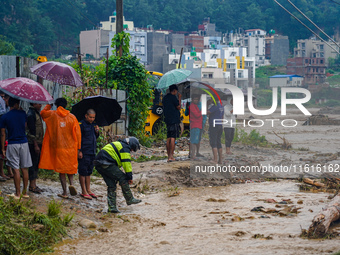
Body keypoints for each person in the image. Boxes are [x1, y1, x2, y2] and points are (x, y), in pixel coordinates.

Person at [39, 98, 81, 199]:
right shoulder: (72, 117)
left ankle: (65, 192)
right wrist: (79, 148)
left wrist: (49, 104)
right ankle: (72, 184)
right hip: (70, 148)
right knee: (70, 169)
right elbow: (78, 134)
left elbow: (42, 113)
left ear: (56, 105)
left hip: (58, 148)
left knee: (61, 170)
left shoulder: (52, 115)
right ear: (66, 105)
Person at [94, 137, 142, 213]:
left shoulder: (120, 144)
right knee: (123, 178)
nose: (132, 151)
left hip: (99, 164)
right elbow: (126, 163)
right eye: (133, 149)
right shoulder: (124, 147)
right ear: (132, 144)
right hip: (107, 162)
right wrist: (129, 177)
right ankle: (129, 199)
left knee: (112, 185)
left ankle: (112, 208)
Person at [0, 98, 32, 199]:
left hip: (12, 143)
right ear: (17, 104)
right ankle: (25, 193)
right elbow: (25, 127)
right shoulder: (23, 113)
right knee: (24, 168)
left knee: (15, 169)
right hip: (24, 142)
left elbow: (2, 133)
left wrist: (2, 149)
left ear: (9, 104)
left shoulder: (5, 116)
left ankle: (17, 194)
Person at [78, 109, 99, 200]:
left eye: (93, 117)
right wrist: (79, 150)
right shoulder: (81, 125)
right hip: (84, 151)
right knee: (83, 171)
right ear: (86, 116)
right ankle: (83, 191)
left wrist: (97, 131)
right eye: (90, 117)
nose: (91, 119)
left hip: (92, 151)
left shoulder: (94, 125)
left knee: (89, 171)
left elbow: (95, 137)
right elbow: (78, 138)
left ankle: (89, 190)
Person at [27, 103, 44, 194]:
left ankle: (33, 184)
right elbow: (31, 131)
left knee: (36, 163)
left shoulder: (36, 113)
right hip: (33, 143)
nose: (41, 105)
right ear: (33, 104)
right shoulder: (31, 114)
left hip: (38, 142)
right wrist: (35, 145)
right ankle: (32, 185)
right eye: (39, 104)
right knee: (33, 163)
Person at [162, 84, 181, 162]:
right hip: (174, 119)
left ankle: (168, 156)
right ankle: (171, 156)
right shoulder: (173, 97)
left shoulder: (165, 98)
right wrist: (179, 98)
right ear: (174, 91)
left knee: (168, 138)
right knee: (173, 137)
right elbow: (178, 107)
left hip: (167, 119)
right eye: (176, 91)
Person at [0, 92, 13, 179]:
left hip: (6, 131)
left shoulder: (7, 107)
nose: (4, 99)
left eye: (5, 97)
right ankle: (3, 172)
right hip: (3, 129)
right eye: (3, 97)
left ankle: (9, 172)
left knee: (5, 150)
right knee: (2, 151)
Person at [208, 99, 224, 164]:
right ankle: (220, 160)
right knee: (218, 142)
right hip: (220, 125)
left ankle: (215, 160)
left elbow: (206, 112)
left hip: (214, 125)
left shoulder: (215, 106)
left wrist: (207, 104)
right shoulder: (221, 107)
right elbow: (222, 117)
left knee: (213, 142)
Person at [189, 94, 202, 160]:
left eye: (197, 99)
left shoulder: (196, 105)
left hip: (198, 125)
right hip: (195, 125)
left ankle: (194, 154)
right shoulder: (192, 106)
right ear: (192, 99)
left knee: (196, 140)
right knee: (194, 141)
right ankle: (192, 155)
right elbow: (197, 115)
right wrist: (202, 111)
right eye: (195, 99)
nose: (196, 100)